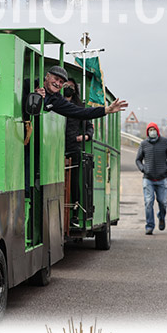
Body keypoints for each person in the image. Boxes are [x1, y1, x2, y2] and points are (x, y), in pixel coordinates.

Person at [36, 64, 128, 123]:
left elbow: (80, 112)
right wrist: (34, 96)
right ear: (47, 76)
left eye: (61, 82)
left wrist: (106, 110)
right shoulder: (31, 84)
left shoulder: (57, 99)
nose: (57, 83)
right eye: (56, 79)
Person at [62, 77, 93, 229]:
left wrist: (84, 137)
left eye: (71, 86)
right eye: (66, 85)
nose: (68, 87)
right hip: (56, 147)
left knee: (74, 181)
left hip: (73, 147)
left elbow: (89, 127)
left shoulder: (79, 106)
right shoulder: (57, 103)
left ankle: (74, 214)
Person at [135, 122, 167, 235]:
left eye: (153, 129)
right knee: (148, 202)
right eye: (150, 130)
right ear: (147, 132)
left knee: (163, 202)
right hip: (148, 179)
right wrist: (143, 169)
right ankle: (149, 226)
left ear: (157, 130)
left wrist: (166, 169)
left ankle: (161, 217)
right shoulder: (143, 144)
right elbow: (138, 159)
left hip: (162, 179)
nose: (152, 131)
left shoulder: (165, 142)